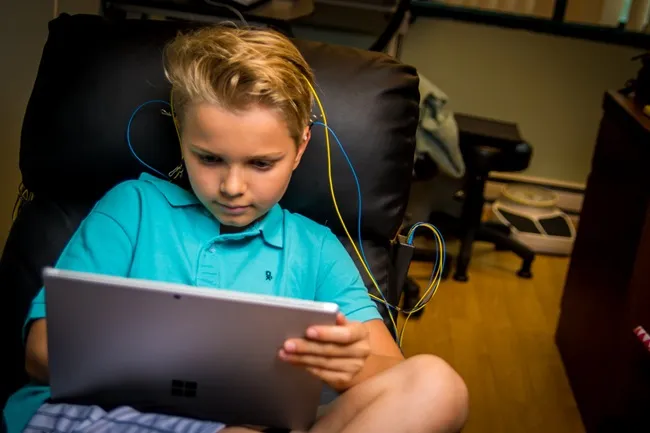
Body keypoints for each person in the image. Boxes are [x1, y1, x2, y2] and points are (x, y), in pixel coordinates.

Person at [3, 25, 468, 433]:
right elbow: (41, 352)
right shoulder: (134, 209)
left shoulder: (317, 250)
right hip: (100, 416)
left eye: (262, 163)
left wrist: (349, 367)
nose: (232, 186)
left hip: (256, 425)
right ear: (181, 134)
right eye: (209, 158)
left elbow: (391, 374)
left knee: (438, 386)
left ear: (301, 145)